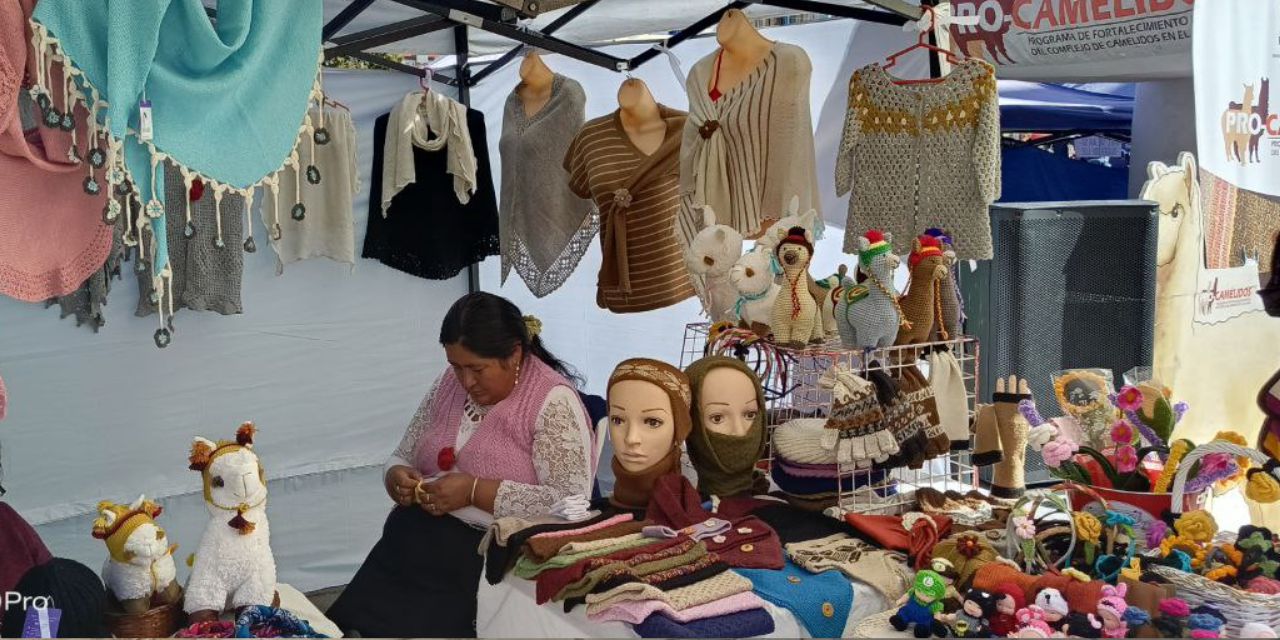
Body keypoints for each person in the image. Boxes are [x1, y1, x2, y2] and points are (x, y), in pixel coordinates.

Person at [326, 292, 594, 638]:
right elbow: (403, 453)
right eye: (456, 366)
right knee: (350, 625)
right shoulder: (447, 384)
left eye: (477, 369)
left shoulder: (552, 400)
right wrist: (396, 477)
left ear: (513, 354)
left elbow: (572, 505)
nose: (465, 381)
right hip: (418, 536)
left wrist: (473, 491)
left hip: (487, 549)